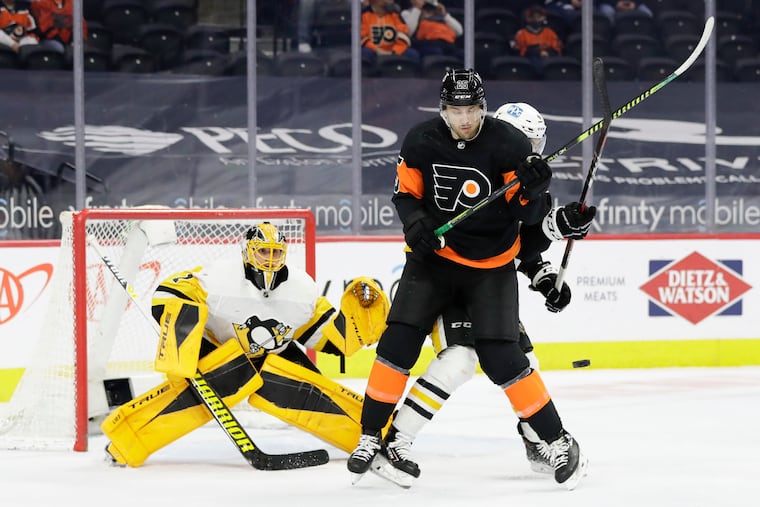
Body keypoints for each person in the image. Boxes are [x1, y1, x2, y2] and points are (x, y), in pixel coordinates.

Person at [346, 68, 592, 490]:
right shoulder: (423, 140)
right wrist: (416, 225)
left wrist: (535, 191)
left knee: (505, 358)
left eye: (471, 110)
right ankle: (376, 438)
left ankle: (554, 440)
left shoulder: (510, 147)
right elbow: (406, 195)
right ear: (444, 109)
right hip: (435, 263)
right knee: (403, 344)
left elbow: (528, 224)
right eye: (456, 110)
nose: (464, 118)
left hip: (490, 270)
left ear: (483, 108)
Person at [102, 222, 392, 467]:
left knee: (311, 393)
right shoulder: (219, 277)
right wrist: (186, 344)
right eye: (263, 251)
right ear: (247, 252)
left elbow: (326, 336)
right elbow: (169, 292)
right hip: (221, 352)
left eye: (276, 252)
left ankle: (376, 436)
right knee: (207, 390)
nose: (270, 258)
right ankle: (125, 441)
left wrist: (357, 326)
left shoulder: (301, 290)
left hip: (274, 353)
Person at [361, 0, 420, 67]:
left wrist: (394, 52)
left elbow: (403, 35)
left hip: (393, 51)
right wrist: (377, 50)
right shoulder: (364, 15)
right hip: (373, 51)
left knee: (412, 54)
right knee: (365, 53)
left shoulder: (395, 14)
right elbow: (362, 37)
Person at [511, 5, 563, 73]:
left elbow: (557, 49)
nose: (536, 19)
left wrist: (548, 53)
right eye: (533, 17)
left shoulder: (550, 32)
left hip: (549, 59)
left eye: (539, 17)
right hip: (531, 61)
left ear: (544, 18)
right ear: (527, 18)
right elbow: (519, 52)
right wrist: (537, 52)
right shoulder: (521, 34)